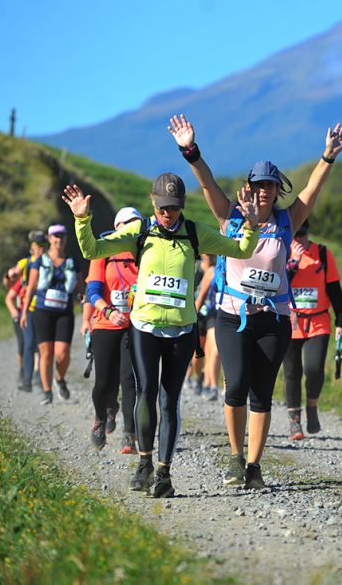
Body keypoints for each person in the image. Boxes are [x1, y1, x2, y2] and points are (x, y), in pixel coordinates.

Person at [167, 113, 342, 490]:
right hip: (232, 317)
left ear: (276, 190)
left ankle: (254, 465)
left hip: (274, 319)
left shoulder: (287, 221)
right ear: (248, 188)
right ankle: (235, 457)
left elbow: (312, 191)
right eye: (259, 185)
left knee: (262, 393)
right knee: (235, 386)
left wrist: (328, 156)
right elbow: (206, 183)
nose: (264, 191)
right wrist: (190, 150)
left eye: (270, 186)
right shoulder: (229, 218)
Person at [63, 175, 262, 498]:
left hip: (181, 331)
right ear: (152, 202)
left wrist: (251, 226)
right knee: (146, 393)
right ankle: (144, 463)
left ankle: (164, 473)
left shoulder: (194, 233)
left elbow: (241, 250)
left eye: (175, 207)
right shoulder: (139, 232)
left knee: (170, 402)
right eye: (164, 207)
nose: (169, 213)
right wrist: (82, 219)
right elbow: (92, 249)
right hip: (143, 326)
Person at [83, 207, 143, 453]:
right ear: (118, 227)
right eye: (128, 224)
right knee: (104, 382)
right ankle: (100, 416)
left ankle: (130, 433)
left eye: (137, 225)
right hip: (106, 321)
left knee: (130, 380)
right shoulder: (103, 249)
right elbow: (93, 291)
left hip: (135, 324)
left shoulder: (145, 252)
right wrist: (108, 311)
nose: (133, 229)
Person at [283, 219, 342, 440]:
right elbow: (280, 283)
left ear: (308, 232)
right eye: (294, 234)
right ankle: (294, 421)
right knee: (292, 372)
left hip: (319, 321)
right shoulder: (282, 252)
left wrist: (341, 322)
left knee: (314, 368)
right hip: (290, 321)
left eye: (302, 233)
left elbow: (335, 290)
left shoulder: (322, 253)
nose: (298, 238)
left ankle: (312, 405)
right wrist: (294, 260)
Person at [21, 224, 80, 405]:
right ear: (49, 239)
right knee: (46, 352)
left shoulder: (72, 262)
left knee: (62, 354)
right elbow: (31, 287)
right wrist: (24, 312)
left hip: (64, 312)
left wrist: (85, 300)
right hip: (42, 311)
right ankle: (47, 392)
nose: (58, 240)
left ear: (65, 239)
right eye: (55, 236)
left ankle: (59, 379)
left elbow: (80, 289)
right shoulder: (40, 261)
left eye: (62, 236)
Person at [5, 230, 46, 392]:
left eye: (44, 245)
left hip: (43, 309)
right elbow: (10, 279)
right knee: (27, 345)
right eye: (38, 245)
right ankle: (27, 378)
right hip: (26, 309)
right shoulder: (25, 263)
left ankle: (40, 378)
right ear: (32, 247)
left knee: (40, 346)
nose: (41, 248)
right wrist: (9, 276)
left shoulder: (49, 262)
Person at [194, 254, 222, 401]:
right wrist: (193, 320)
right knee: (199, 355)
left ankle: (213, 387)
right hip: (208, 314)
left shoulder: (238, 271)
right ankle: (200, 376)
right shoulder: (212, 271)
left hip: (223, 316)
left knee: (216, 352)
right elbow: (200, 297)